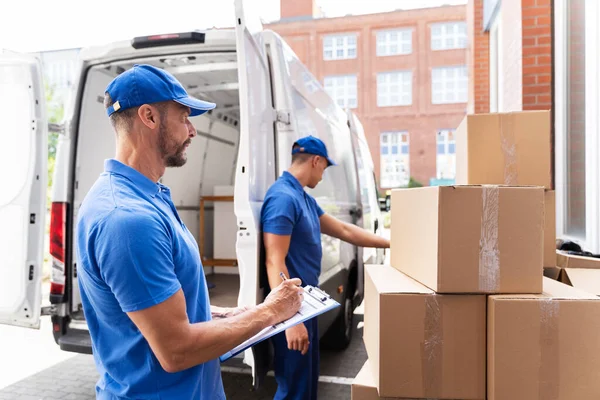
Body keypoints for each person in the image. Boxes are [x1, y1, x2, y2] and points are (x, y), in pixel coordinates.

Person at [76, 64, 304, 400]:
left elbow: (147, 307)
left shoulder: (147, 196)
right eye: (184, 117)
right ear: (149, 117)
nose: (192, 130)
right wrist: (270, 312)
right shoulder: (127, 220)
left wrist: (225, 314)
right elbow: (176, 350)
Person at [260, 136, 391, 400]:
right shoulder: (282, 197)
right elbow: (274, 259)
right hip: (292, 308)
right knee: (293, 390)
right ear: (316, 161)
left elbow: (344, 230)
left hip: (306, 304)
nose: (322, 175)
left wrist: (392, 242)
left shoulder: (303, 198)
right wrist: (289, 319)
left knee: (306, 386)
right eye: (324, 168)